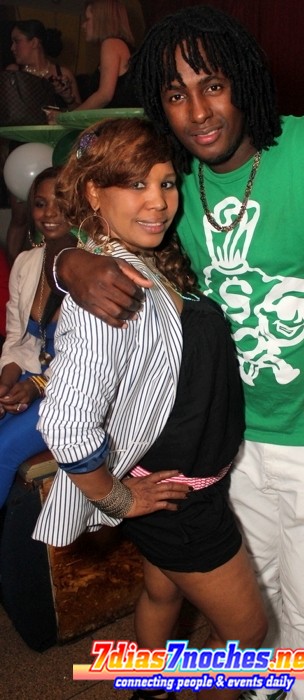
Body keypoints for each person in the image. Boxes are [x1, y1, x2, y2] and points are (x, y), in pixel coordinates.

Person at [51, 8, 304, 700]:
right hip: (227, 440)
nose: (197, 112)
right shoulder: (165, 174)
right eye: (175, 94)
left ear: (243, 81)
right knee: (250, 599)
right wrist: (70, 261)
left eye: (212, 85)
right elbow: (76, 203)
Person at [32, 117, 267, 700]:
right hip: (179, 502)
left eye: (165, 183)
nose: (159, 202)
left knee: (163, 593)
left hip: (175, 487)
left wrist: (68, 260)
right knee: (248, 634)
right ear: (94, 192)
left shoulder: (128, 259)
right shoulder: (109, 289)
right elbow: (64, 422)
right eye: (136, 185)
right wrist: (116, 498)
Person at [0, 166, 76, 509]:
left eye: (61, 202)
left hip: (75, 391)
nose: (49, 213)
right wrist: (5, 384)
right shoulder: (26, 263)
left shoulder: (95, 268)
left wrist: (36, 387)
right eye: (41, 204)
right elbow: (17, 338)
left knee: (4, 448)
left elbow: (92, 359)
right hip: (32, 375)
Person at [4, 20, 81, 264]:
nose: (12, 47)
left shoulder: (62, 73)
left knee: (56, 214)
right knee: (20, 216)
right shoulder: (13, 74)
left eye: (17, 41)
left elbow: (79, 114)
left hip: (56, 153)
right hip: (23, 154)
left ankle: (51, 267)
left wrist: (67, 97)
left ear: (34, 42)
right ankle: (13, 271)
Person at [75, 0, 140, 110]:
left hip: (120, 120)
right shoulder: (120, 45)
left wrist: (69, 117)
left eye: (88, 19)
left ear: (101, 20)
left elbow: (104, 96)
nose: (83, 25)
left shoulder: (111, 44)